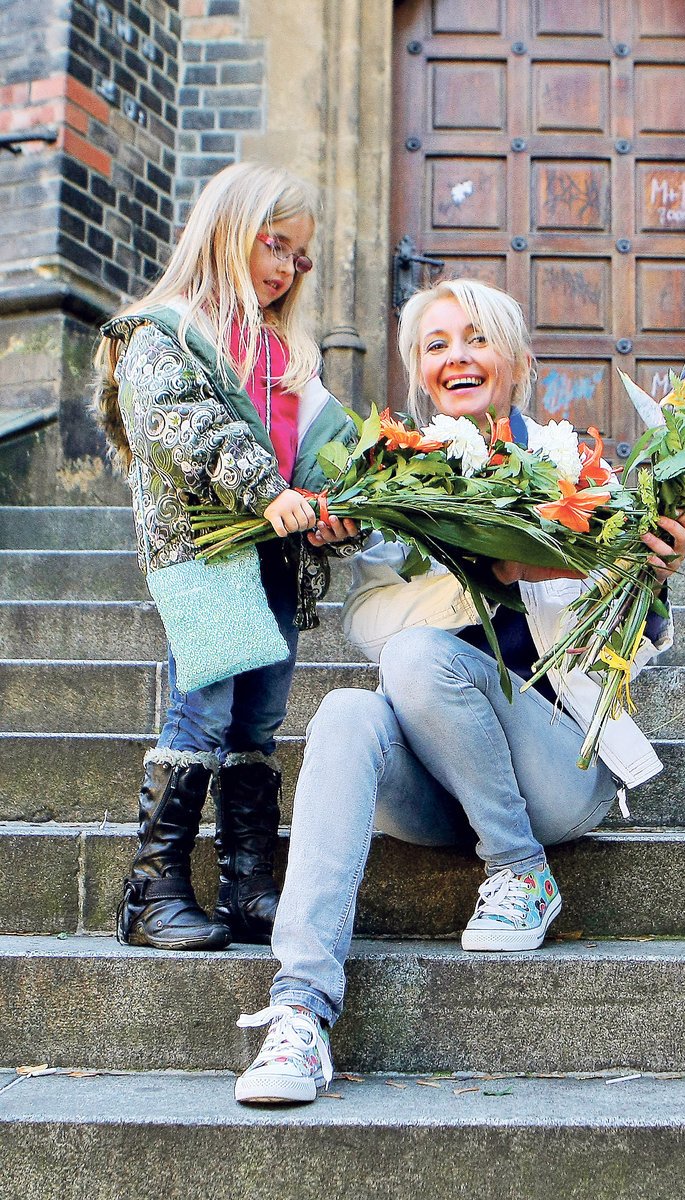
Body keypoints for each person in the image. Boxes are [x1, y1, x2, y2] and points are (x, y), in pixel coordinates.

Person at [234, 278, 685, 1104]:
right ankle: (298, 1013)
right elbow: (369, 623)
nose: (458, 357)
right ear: (417, 368)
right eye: (437, 343)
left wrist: (647, 571)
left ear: (517, 363)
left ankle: (522, 872)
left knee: (418, 659)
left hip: (555, 770)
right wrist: (458, 563)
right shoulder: (394, 482)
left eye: (476, 339)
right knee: (349, 706)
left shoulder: (572, 467)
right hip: (435, 782)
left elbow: (643, 639)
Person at [94, 162, 358, 953]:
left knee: (258, 717)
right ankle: (151, 890)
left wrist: (331, 508)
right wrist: (259, 489)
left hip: (274, 554)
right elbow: (187, 427)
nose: (284, 268)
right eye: (273, 245)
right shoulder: (166, 331)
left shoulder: (286, 354)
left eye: (299, 258)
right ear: (224, 229)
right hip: (204, 551)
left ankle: (249, 884)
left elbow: (312, 446)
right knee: (201, 706)